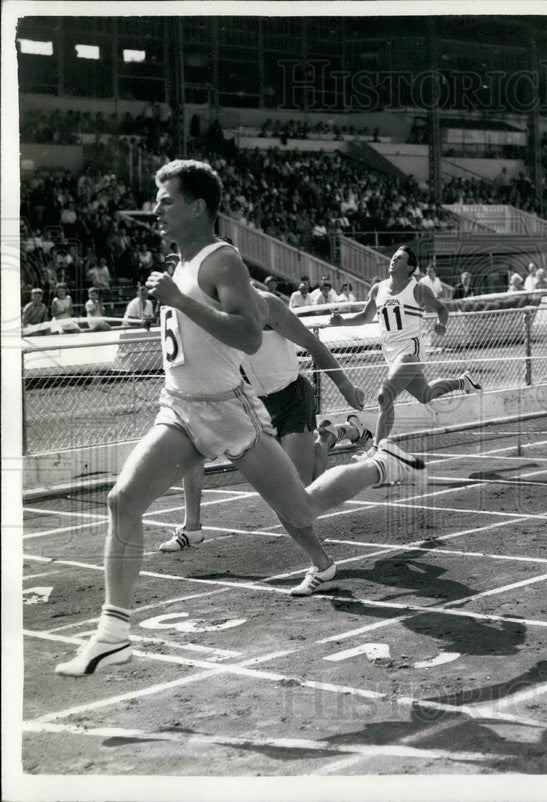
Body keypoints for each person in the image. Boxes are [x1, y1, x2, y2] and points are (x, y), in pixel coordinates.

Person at [55, 160, 425, 677]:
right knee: (123, 500)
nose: (156, 207)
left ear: (199, 205)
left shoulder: (221, 261)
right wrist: (176, 297)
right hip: (181, 407)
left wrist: (181, 300)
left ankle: (378, 464)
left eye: (166, 199)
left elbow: (250, 336)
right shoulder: (178, 266)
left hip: (231, 410)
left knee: (302, 510)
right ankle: (114, 632)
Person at [162, 282, 369, 552]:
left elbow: (311, 343)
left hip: (291, 398)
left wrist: (345, 386)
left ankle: (328, 439)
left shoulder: (267, 304)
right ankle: (192, 527)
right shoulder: (207, 314)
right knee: (192, 445)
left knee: (299, 498)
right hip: (250, 404)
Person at [330, 245, 482, 450]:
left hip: (411, 350)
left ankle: (377, 451)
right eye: (393, 257)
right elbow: (366, 316)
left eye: (400, 259)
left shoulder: (418, 290)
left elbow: (441, 308)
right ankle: (463, 382)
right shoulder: (378, 289)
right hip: (390, 353)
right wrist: (342, 322)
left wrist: (441, 324)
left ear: (410, 268)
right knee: (425, 395)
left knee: (385, 395)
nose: (393, 260)